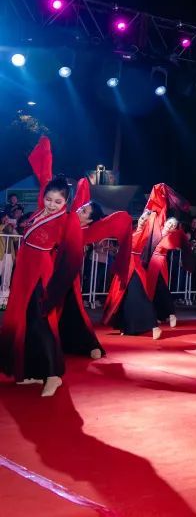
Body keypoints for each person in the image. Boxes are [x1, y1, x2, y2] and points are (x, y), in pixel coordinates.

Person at [0, 137, 84, 397]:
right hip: (24, 272)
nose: (51, 204)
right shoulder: (39, 211)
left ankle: (52, 374)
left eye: (58, 202)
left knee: (41, 322)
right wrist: (45, 149)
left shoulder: (66, 221)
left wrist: (57, 288)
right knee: (25, 321)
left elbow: (72, 257)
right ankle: (32, 371)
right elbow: (44, 173)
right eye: (49, 199)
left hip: (41, 274)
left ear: (65, 202)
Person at [103, 184, 188, 340]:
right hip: (128, 266)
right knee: (124, 296)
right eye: (142, 218)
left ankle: (154, 324)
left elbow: (158, 216)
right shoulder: (133, 230)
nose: (143, 220)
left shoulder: (148, 234)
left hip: (138, 266)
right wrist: (113, 249)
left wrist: (159, 198)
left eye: (146, 219)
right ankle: (126, 326)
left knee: (141, 294)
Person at [59, 183, 132, 360]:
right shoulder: (66, 219)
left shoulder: (84, 232)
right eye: (81, 208)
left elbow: (119, 220)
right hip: (51, 272)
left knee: (73, 310)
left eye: (84, 211)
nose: (79, 210)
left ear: (90, 221)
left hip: (67, 276)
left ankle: (90, 345)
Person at [145, 217, 194, 329]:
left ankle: (171, 314)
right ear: (166, 222)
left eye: (173, 225)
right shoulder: (157, 230)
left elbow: (172, 244)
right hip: (151, 262)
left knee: (162, 288)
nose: (170, 225)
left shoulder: (171, 236)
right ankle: (159, 315)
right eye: (170, 223)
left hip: (160, 262)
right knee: (153, 289)